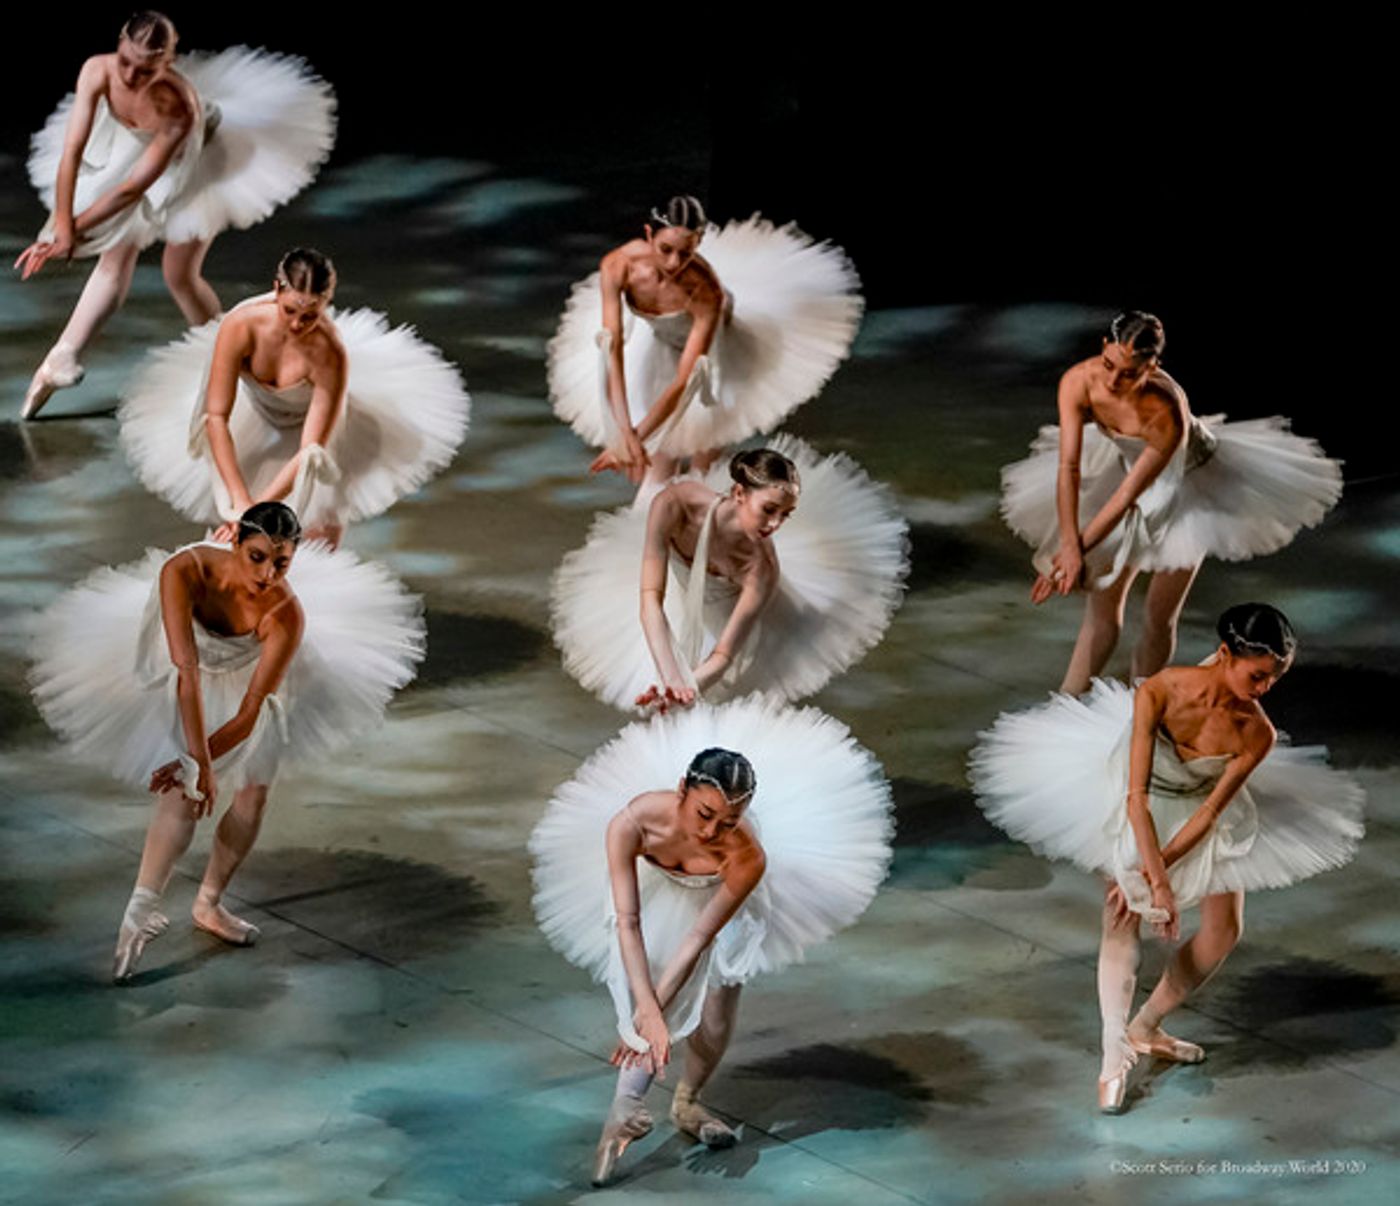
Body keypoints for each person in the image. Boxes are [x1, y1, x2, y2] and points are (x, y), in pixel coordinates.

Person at [968, 603, 1364, 1113]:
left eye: (1274, 679)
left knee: (1224, 930)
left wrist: (1166, 871)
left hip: (1195, 813)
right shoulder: (1160, 689)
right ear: (1225, 654)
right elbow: (1135, 797)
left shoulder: (1256, 733)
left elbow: (1211, 813)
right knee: (1121, 914)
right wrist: (1150, 879)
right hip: (1133, 799)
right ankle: (1113, 1055)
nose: (1266, 688)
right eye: (1259, 675)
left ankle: (1145, 1026)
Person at [29, 502, 424, 982]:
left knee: (253, 793)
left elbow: (251, 709)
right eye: (257, 556)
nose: (267, 573)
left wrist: (205, 759)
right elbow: (186, 674)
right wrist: (195, 764)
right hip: (183, 672)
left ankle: (209, 903)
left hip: (246, 684)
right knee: (183, 793)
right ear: (235, 540)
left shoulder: (285, 615)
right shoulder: (185, 570)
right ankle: (139, 911)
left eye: (281, 563)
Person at [530, 696, 894, 1186]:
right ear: (682, 790)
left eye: (726, 822)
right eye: (703, 814)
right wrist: (647, 1013)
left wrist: (653, 1015)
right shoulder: (632, 823)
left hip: (714, 908)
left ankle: (687, 1101)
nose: (710, 831)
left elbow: (700, 937)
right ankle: (624, 1109)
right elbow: (628, 922)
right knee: (652, 999)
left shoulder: (747, 856)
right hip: (652, 899)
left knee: (716, 1010)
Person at [1000, 312, 1343, 694]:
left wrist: (1075, 552)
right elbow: (1069, 468)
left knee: (1158, 617)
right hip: (1123, 467)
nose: (1114, 382)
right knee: (1101, 609)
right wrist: (1065, 549)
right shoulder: (1077, 381)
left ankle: (1138, 710)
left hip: (1184, 485)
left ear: (1152, 366)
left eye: (1130, 374)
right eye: (1110, 365)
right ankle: (1065, 707)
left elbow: (1131, 496)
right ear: (1102, 349)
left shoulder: (1168, 413)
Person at [16, 10, 335, 418]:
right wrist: (60, 227)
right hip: (138, 150)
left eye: (145, 69)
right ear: (119, 43)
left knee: (179, 275)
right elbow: (72, 150)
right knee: (115, 258)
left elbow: (132, 190)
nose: (130, 76)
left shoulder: (179, 109)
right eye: (126, 61)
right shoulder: (97, 70)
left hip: (201, 161)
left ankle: (240, 370)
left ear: (166, 63)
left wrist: (71, 232)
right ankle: (60, 360)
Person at [119, 248, 471, 546]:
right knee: (235, 533)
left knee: (312, 535)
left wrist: (258, 511)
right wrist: (242, 505)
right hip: (250, 417)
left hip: (311, 434)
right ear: (276, 290)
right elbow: (216, 417)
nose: (298, 325)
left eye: (311, 316)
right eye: (290, 311)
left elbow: (310, 452)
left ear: (325, 304)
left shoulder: (329, 353)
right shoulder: (241, 326)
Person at [551, 438, 908, 712]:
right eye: (769, 510)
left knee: (715, 714)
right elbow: (649, 599)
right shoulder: (675, 505)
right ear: (739, 493)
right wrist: (669, 676)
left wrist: (686, 688)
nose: (775, 525)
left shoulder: (762, 569)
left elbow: (723, 655)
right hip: (672, 605)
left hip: (731, 626)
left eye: (785, 515)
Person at [548, 195, 863, 496]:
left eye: (685, 253)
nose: (674, 263)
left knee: (703, 470)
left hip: (713, 356)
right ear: (648, 235)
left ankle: (703, 533)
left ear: (698, 244)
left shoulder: (704, 291)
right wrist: (623, 434)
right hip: (659, 347)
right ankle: (649, 542)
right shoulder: (619, 265)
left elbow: (686, 379)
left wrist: (639, 439)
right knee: (660, 469)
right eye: (665, 249)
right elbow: (612, 347)